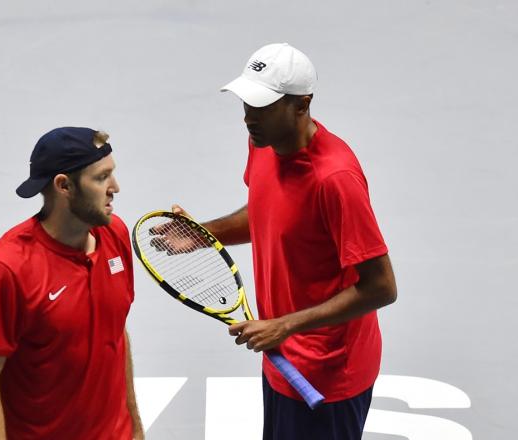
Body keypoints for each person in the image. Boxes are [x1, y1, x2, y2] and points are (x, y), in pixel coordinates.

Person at [165, 43, 397, 439]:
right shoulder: (264, 144)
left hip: (328, 374)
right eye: (246, 102)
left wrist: (284, 325)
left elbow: (381, 287)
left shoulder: (334, 180)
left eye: (263, 106)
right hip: (283, 358)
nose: (248, 118)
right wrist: (203, 235)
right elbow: (269, 213)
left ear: (301, 104)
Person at [0, 127, 144, 440]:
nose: (115, 187)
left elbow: (115, 334)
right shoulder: (7, 269)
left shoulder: (114, 235)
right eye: (101, 178)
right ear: (64, 186)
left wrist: (135, 429)